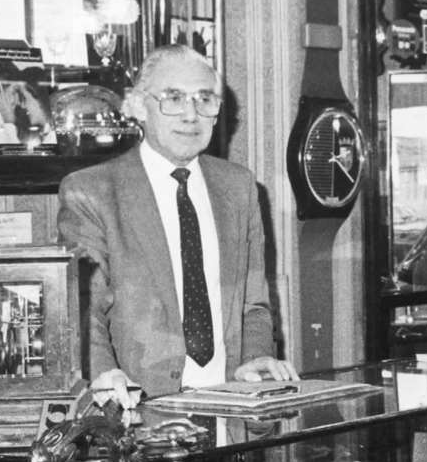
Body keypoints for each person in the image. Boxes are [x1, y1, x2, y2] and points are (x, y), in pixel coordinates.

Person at [56, 44, 297, 410]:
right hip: (137, 413)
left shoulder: (240, 187)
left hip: (228, 406)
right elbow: (86, 309)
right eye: (173, 98)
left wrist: (256, 358)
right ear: (137, 107)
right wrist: (104, 380)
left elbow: (254, 302)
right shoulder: (91, 191)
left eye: (205, 99)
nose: (191, 114)